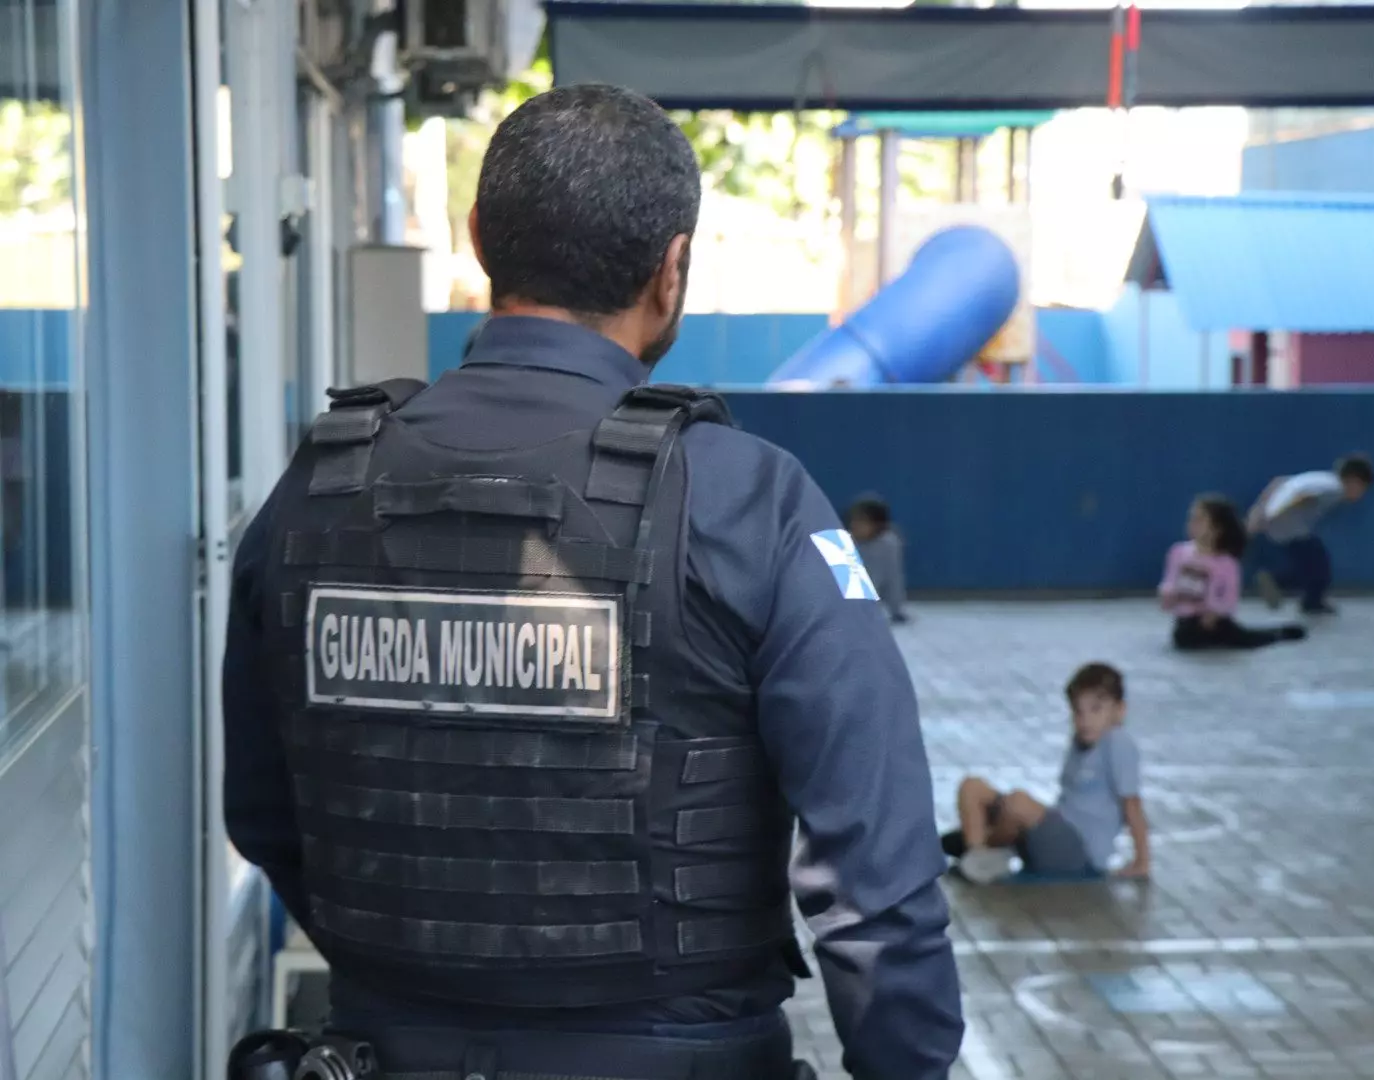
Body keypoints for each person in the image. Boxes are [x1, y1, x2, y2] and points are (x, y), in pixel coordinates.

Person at [222, 84, 962, 1080]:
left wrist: (418, 971)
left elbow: (264, 816)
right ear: (674, 268)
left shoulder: (317, 486)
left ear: (479, 237)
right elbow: (877, 878)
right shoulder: (746, 499)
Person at [940, 663, 1150, 884]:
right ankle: (979, 853)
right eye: (1078, 711)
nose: (1085, 719)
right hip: (1056, 832)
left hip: (1080, 852)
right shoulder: (1081, 742)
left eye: (1096, 709)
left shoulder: (1118, 742)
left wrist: (1142, 861)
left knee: (1018, 802)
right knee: (972, 787)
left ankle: (984, 842)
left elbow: (1132, 805)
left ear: (1120, 710)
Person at [1160, 495, 1305, 650]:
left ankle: (1280, 633)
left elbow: (1229, 596)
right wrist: (1167, 594)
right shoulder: (1179, 552)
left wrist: (1215, 612)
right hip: (1186, 622)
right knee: (1188, 639)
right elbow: (1170, 580)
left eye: (1200, 520)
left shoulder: (1226, 563)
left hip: (1215, 622)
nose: (1192, 524)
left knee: (1245, 639)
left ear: (1217, 529)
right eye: (1192, 518)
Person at [1246, 454, 1374, 615]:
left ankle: (1290, 589)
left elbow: (1280, 481)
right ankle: (1296, 593)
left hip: (1285, 527)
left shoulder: (1322, 479)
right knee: (1319, 567)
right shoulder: (1334, 489)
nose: (1360, 495)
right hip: (1288, 529)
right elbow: (1303, 496)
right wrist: (1271, 516)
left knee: (1311, 566)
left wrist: (1259, 511)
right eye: (1362, 489)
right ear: (1354, 481)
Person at [846, 494, 908, 624]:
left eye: (862, 521)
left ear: (877, 524)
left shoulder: (887, 544)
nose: (855, 525)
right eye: (854, 520)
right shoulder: (844, 542)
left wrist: (896, 610)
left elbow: (892, 579)